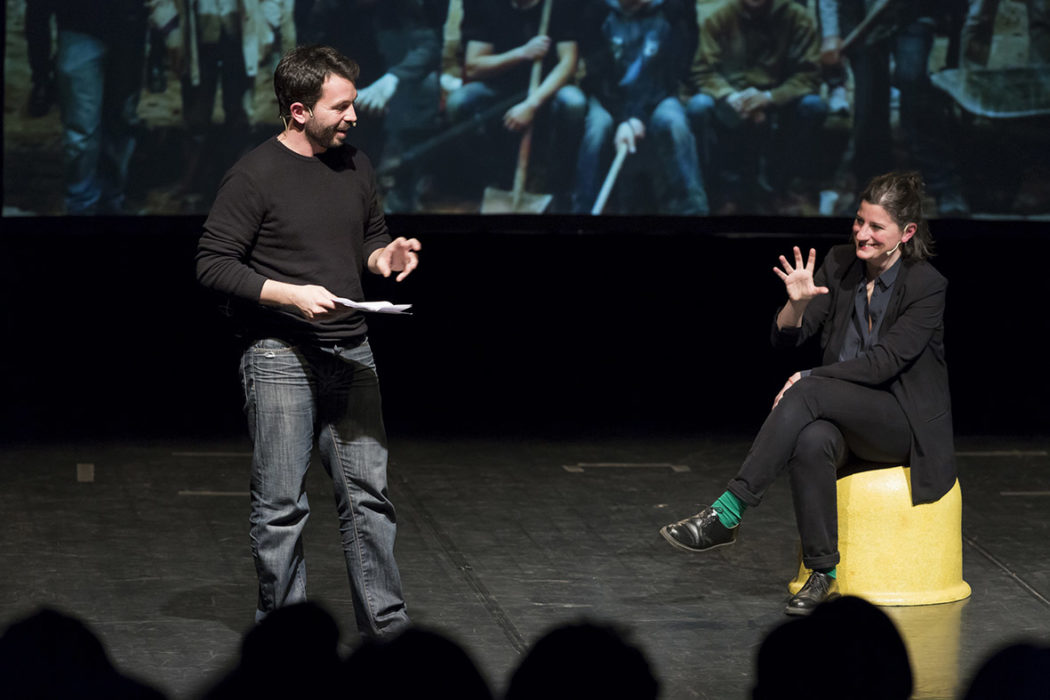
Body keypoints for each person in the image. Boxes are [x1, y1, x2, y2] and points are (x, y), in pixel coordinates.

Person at [196, 44, 420, 638]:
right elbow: (213, 263)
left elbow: (369, 236)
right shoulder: (255, 175)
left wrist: (384, 256)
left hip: (351, 348)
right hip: (280, 353)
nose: (353, 116)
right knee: (281, 505)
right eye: (340, 107)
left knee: (369, 499)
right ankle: (286, 640)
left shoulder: (355, 164)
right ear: (299, 111)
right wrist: (287, 294)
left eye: (353, 103)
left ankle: (387, 634)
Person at [660, 171, 956, 615]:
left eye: (876, 227)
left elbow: (885, 364)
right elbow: (787, 339)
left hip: (902, 424)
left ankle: (728, 512)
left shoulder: (926, 285)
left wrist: (809, 377)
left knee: (807, 391)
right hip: (843, 415)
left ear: (906, 233)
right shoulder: (839, 264)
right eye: (859, 221)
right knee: (812, 439)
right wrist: (796, 304)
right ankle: (822, 572)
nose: (862, 234)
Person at [817, 0, 970, 216]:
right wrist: (830, 34)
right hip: (861, 20)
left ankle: (946, 187)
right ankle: (873, 192)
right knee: (869, 103)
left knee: (914, 85)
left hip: (910, 14)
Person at [687, 0, 828, 215]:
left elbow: (809, 74)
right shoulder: (720, 18)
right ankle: (721, 194)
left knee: (813, 106)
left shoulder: (796, 18)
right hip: (732, 100)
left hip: (779, 99)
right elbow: (703, 70)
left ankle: (786, 189)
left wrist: (771, 97)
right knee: (699, 106)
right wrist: (732, 96)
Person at [446, 0, 586, 208]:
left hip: (547, 90)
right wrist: (522, 53)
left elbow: (568, 63)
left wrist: (532, 104)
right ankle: (495, 180)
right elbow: (474, 66)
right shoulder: (484, 4)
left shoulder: (558, 4)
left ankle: (554, 185)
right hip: (500, 88)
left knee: (574, 102)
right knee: (459, 102)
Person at [573, 0, 707, 215]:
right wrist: (624, 118)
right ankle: (584, 209)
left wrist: (637, 116)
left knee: (674, 123)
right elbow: (599, 77)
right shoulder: (598, 11)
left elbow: (668, 76)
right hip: (609, 99)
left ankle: (692, 210)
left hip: (657, 97)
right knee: (597, 129)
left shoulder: (671, 12)